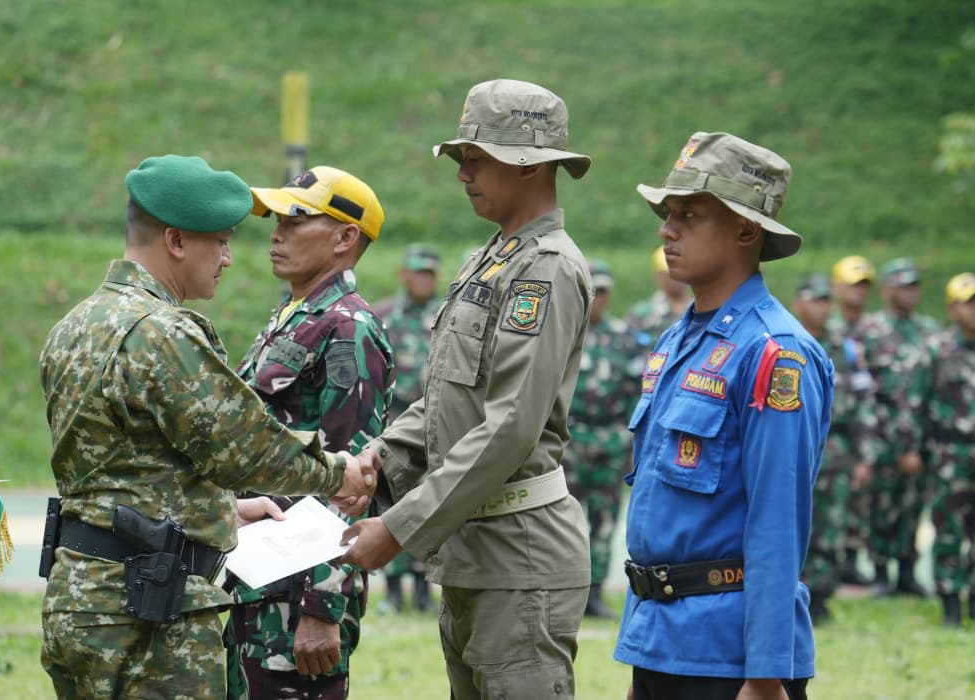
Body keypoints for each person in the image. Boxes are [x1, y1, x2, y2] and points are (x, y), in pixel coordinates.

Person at [38, 154, 373, 699]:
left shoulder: (75, 324)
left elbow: (122, 465)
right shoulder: (161, 333)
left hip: (78, 595)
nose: (228, 259)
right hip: (146, 614)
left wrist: (219, 509)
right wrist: (339, 472)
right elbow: (244, 449)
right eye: (219, 241)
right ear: (175, 241)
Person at [340, 78, 594, 698]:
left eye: (475, 159)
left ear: (528, 165)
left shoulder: (548, 270)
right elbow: (452, 392)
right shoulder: (493, 257)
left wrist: (399, 527)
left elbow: (509, 425)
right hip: (477, 549)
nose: (463, 174)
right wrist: (383, 454)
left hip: (520, 556)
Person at [614, 132, 833, 700]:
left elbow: (777, 517)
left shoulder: (774, 351)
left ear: (745, 230)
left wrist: (764, 672)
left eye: (690, 214)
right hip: (660, 639)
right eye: (668, 213)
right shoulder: (679, 340)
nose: (668, 229)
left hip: (729, 659)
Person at [223, 166, 395, 699]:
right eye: (276, 220)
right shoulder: (295, 314)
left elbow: (351, 480)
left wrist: (322, 608)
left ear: (345, 237)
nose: (277, 234)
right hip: (256, 580)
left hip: (298, 600)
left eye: (297, 221)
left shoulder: (348, 328)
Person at [792, 274, 876, 624]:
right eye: (815, 300)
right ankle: (791, 594)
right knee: (794, 524)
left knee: (831, 527)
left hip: (837, 450)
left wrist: (864, 456)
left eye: (827, 301)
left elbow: (864, 402)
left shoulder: (847, 347)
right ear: (799, 303)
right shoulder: (787, 341)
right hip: (797, 448)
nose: (822, 307)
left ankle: (821, 597)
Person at [563, 259, 645, 619]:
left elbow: (635, 392)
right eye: (593, 290)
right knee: (565, 518)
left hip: (610, 440)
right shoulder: (565, 331)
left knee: (605, 518)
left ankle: (594, 591)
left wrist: (628, 440)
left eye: (605, 292)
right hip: (572, 437)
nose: (599, 299)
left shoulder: (624, 338)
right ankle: (566, 589)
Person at [856, 257, 940, 597]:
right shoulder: (870, 330)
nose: (910, 292)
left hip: (923, 437)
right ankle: (879, 572)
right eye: (902, 285)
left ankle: (907, 571)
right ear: (887, 289)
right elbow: (864, 389)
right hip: (882, 435)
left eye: (914, 285)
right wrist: (874, 446)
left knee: (913, 504)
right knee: (881, 505)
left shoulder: (930, 331)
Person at [372, 243, 442, 614]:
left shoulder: (445, 315)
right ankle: (395, 589)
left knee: (428, 502)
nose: (423, 279)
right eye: (417, 272)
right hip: (395, 421)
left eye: (429, 273)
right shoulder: (383, 315)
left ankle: (422, 588)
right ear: (404, 274)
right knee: (393, 501)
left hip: (434, 422)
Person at [927, 272, 975, 626]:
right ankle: (949, 603)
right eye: (969, 303)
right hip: (950, 456)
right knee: (948, 530)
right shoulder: (937, 349)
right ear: (952, 307)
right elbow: (916, 402)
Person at [828, 254, 878, 586]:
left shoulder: (875, 332)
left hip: (861, 428)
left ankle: (852, 559)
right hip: (829, 432)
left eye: (864, 286)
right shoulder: (825, 331)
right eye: (852, 284)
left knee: (860, 500)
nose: (858, 292)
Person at [627, 244, 692, 346]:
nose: (675, 278)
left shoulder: (701, 311)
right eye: (669, 273)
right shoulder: (641, 314)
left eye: (681, 271)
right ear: (657, 276)